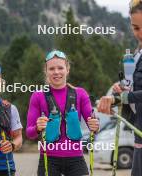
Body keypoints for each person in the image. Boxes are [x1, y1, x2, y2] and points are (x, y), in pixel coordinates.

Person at [26, 50, 99, 176]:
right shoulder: (38, 96)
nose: (56, 72)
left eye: (60, 68)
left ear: (67, 69)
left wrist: (95, 125)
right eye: (52, 68)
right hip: (48, 159)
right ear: (46, 71)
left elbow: (94, 126)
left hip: (75, 159)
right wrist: (37, 127)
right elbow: (29, 133)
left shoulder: (80, 94)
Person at [97, 1, 142, 176]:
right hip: (138, 130)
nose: (140, 34)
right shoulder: (137, 54)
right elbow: (135, 85)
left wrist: (121, 98)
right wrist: (123, 89)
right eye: (136, 28)